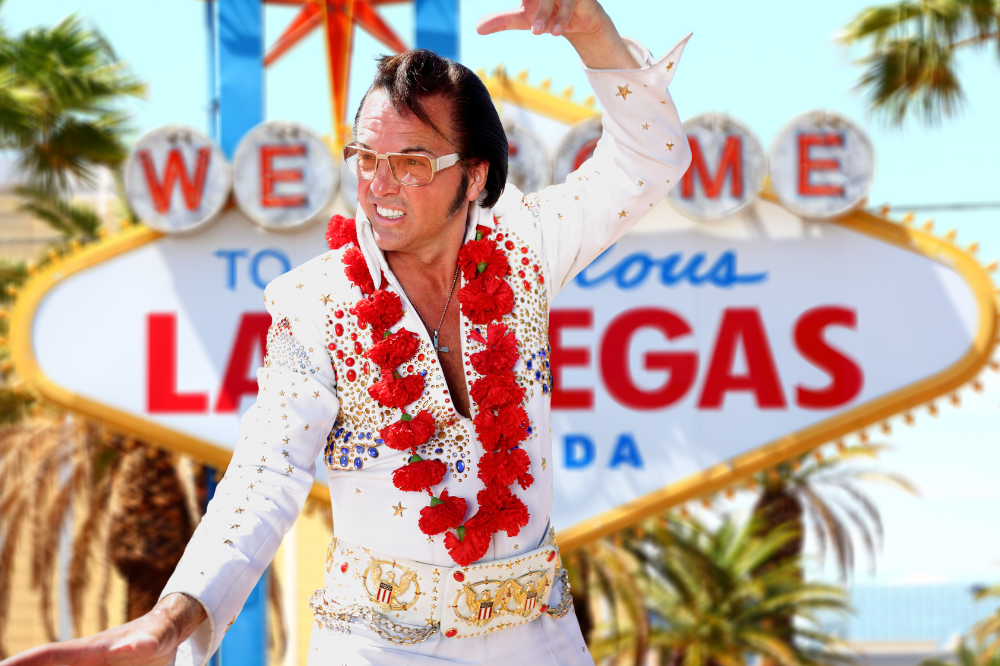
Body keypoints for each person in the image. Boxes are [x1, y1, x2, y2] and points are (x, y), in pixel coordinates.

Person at [1, 0, 691, 664]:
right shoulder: (315, 305)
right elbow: (266, 474)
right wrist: (166, 621)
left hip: (537, 633)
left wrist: (590, 33)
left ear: (476, 175)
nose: (380, 185)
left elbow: (647, 161)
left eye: (413, 162)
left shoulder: (527, 249)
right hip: (379, 642)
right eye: (366, 157)